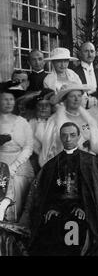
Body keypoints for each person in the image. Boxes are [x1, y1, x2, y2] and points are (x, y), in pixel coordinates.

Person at [27, 122, 98, 256]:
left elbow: (96, 193)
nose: (68, 139)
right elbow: (46, 192)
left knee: (73, 226)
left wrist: (84, 208)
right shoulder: (52, 164)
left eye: (72, 135)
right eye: (64, 136)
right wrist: (52, 207)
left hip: (81, 209)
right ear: (60, 137)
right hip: (58, 208)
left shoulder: (91, 162)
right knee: (49, 226)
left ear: (79, 136)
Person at [39, 83, 98, 167]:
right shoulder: (55, 121)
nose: (76, 99)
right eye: (72, 96)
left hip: (89, 162)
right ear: (65, 99)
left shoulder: (88, 117)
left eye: (79, 96)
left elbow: (97, 142)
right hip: (66, 163)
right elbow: (50, 147)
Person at [0, 88, 34, 223]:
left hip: (19, 162)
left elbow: (28, 146)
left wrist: (14, 166)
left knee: (18, 185)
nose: (8, 102)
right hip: (1, 159)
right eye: (4, 99)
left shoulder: (22, 122)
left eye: (11, 99)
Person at [26, 88, 55, 172]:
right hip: (35, 158)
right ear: (36, 107)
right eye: (40, 105)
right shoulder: (31, 123)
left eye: (46, 105)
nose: (43, 108)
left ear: (51, 108)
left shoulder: (55, 121)